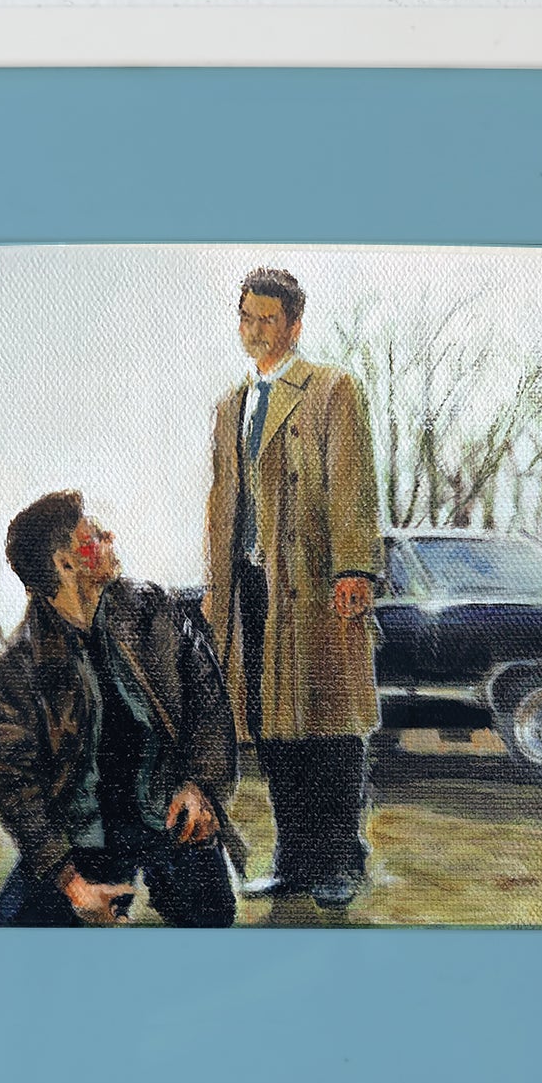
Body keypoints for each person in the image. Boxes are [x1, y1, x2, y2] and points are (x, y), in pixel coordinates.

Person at [0, 489, 244, 927]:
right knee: (11, 926)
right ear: (65, 564)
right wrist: (71, 883)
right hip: (82, 832)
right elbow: (12, 783)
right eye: (96, 536)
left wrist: (200, 785)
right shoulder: (19, 666)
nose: (109, 538)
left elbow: (210, 708)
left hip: (167, 815)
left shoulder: (155, 612)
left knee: (212, 911)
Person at [203, 268, 383, 909]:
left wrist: (355, 567)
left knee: (328, 724)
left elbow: (353, 483)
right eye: (246, 318)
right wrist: (215, 593)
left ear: (295, 324)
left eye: (268, 319)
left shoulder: (331, 388)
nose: (255, 331)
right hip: (253, 588)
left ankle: (342, 861)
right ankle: (293, 857)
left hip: (316, 587)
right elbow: (222, 502)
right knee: (272, 724)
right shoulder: (231, 405)